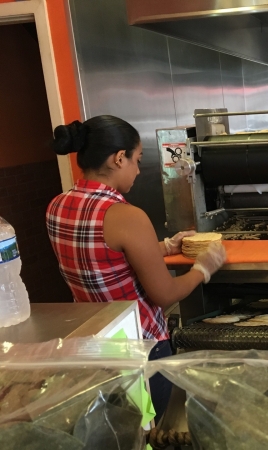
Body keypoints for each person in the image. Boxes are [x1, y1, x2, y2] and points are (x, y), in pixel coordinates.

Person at [46, 115, 227, 421]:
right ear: (119, 158)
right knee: (145, 429)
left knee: (114, 430)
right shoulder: (126, 216)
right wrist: (203, 268)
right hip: (139, 350)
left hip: (93, 347)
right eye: (137, 160)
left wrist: (165, 247)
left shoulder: (57, 205)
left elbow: (103, 258)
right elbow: (165, 294)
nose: (139, 170)